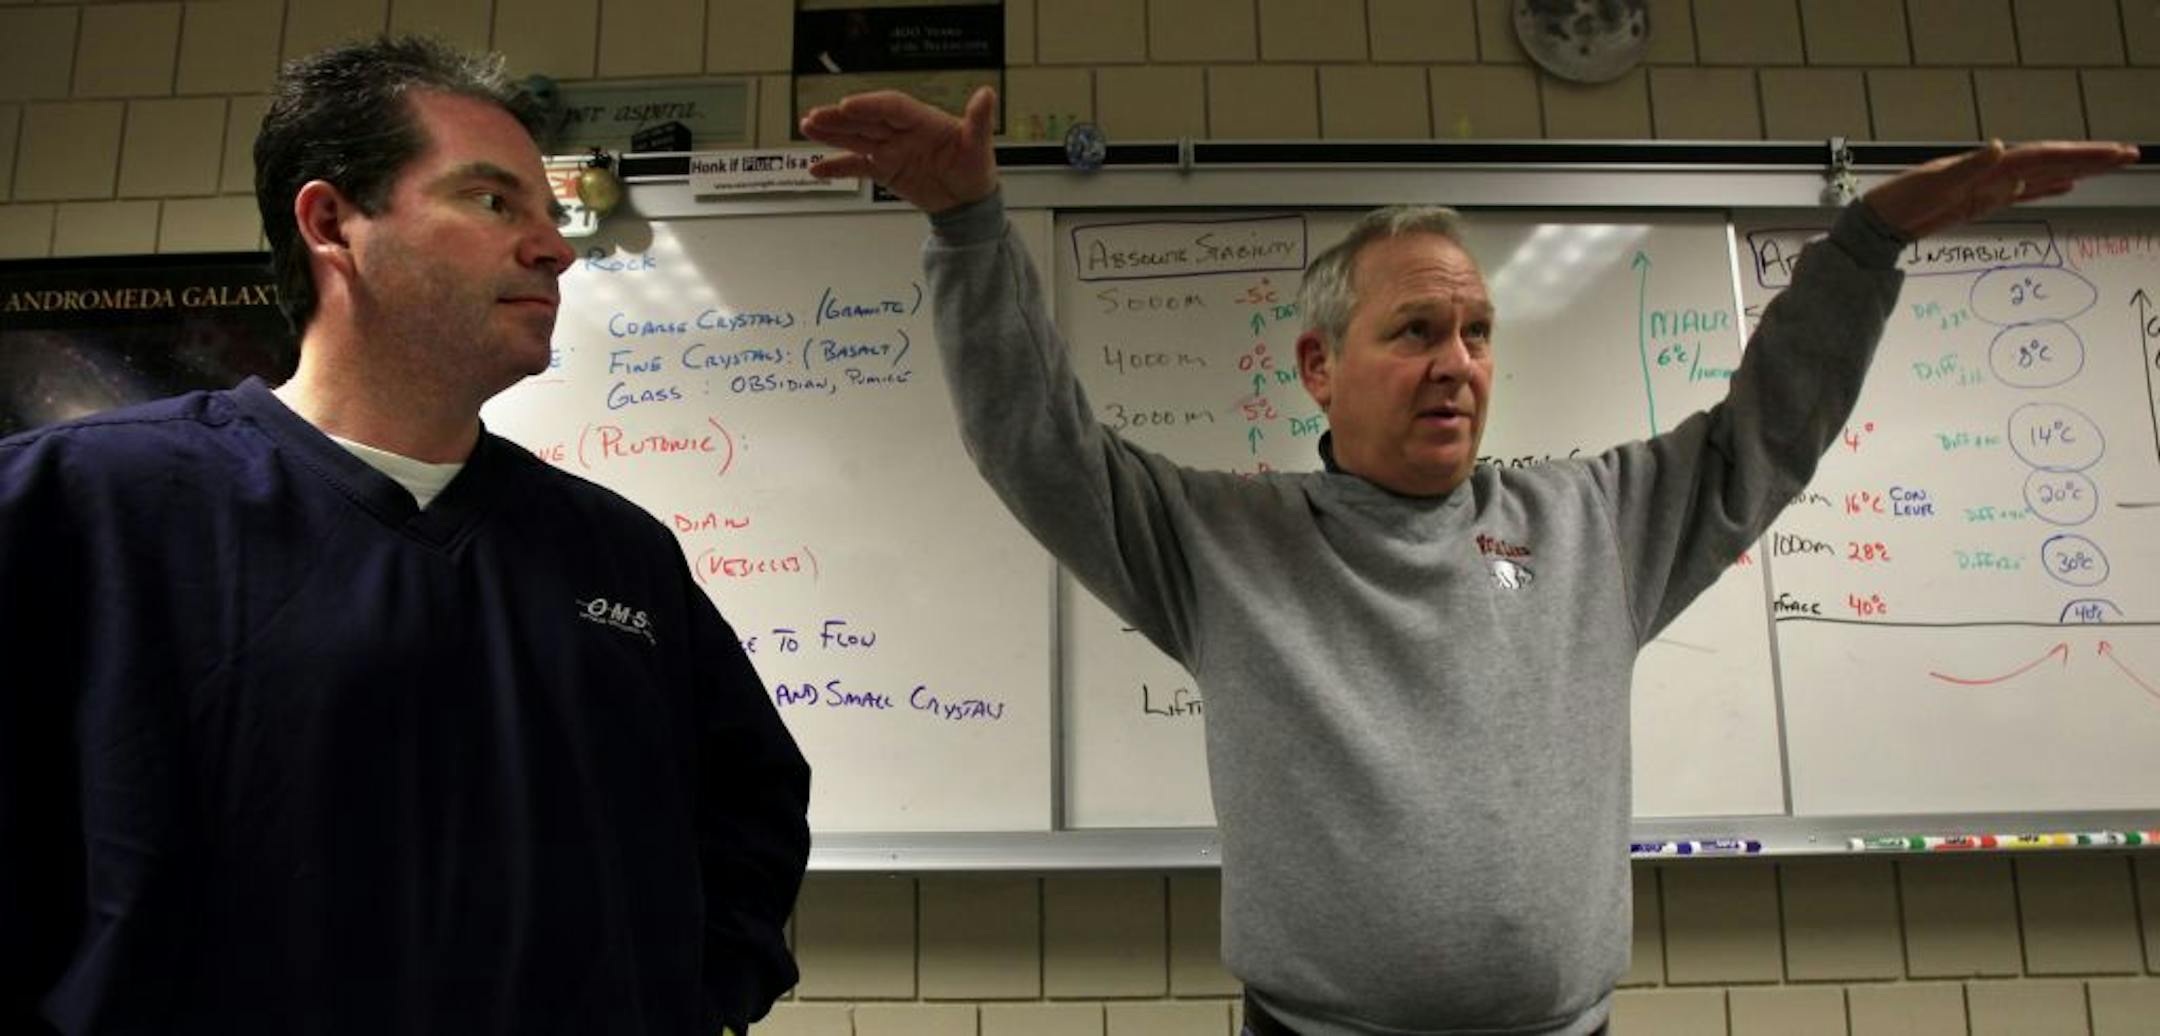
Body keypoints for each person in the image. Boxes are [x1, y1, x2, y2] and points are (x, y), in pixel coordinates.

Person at [800, 89, 2137, 1036]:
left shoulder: (1596, 524)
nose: (1458, 362)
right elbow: (1038, 446)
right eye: (1418, 330)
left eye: (1480, 330)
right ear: (1320, 364)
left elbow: (1764, 434)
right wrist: (972, 228)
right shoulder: (1226, 544)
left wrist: (1868, 246)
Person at [0, 37, 810, 1035]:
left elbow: (752, 808)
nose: (554, 247)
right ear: (332, 222)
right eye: (493, 201)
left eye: (551, 216)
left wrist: (689, 999)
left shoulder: (618, 556)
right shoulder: (80, 506)